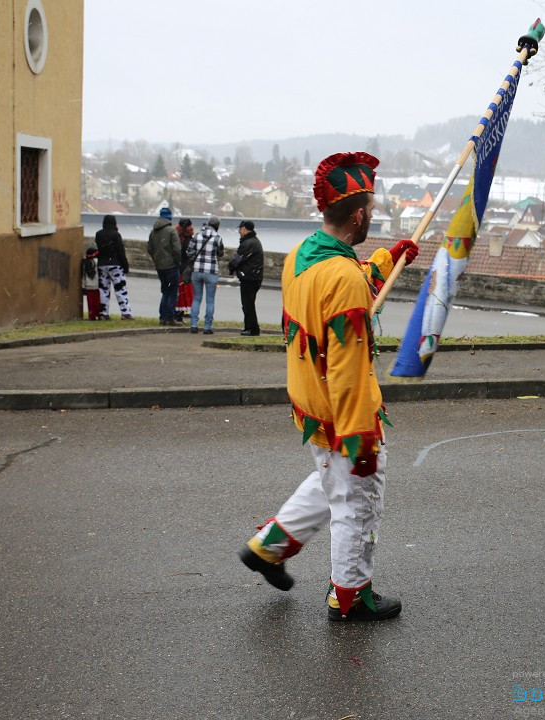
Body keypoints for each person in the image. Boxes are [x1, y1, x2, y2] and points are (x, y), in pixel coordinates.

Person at [239, 151, 419, 622]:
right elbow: (350, 368)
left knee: (330, 485)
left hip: (311, 404)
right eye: (372, 211)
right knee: (357, 502)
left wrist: (385, 259)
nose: (372, 218)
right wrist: (359, 439)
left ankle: (268, 548)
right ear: (358, 215)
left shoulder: (303, 255)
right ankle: (351, 596)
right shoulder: (343, 278)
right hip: (342, 413)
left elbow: (340, 289)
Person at [187, 216, 225, 334]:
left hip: (197, 270)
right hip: (211, 271)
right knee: (210, 300)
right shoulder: (217, 238)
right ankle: (207, 327)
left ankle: (193, 325)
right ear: (217, 226)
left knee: (196, 298)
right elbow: (221, 253)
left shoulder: (196, 235)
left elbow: (189, 251)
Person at [147, 207, 182, 326]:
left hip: (160, 266)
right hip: (171, 266)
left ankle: (162, 317)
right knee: (172, 292)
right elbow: (177, 249)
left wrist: (157, 259)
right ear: (169, 218)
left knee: (165, 292)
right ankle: (170, 317)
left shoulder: (153, 232)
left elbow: (150, 249)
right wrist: (178, 262)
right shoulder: (171, 231)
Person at [230, 220, 265, 336]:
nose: (239, 231)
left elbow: (237, 259)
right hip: (254, 276)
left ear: (245, 229)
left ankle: (252, 329)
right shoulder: (254, 241)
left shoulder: (248, 243)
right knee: (249, 303)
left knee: (248, 304)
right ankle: (251, 327)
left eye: (240, 229)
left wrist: (231, 267)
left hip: (249, 277)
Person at [94, 214, 132, 320]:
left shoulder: (99, 234)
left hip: (102, 264)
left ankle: (103, 313)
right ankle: (125, 313)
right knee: (120, 289)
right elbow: (121, 252)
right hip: (115, 264)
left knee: (104, 290)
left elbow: (99, 249)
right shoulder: (116, 235)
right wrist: (126, 266)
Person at [174, 218, 195, 322]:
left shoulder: (175, 236)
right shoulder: (189, 239)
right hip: (185, 268)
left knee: (177, 292)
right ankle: (181, 313)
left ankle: (176, 312)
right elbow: (190, 255)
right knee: (185, 292)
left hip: (176, 267)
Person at [81, 247, 101, 320]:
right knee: (97, 302)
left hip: (88, 285)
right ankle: (99, 315)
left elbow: (83, 276)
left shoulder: (84, 262)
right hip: (97, 285)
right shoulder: (97, 261)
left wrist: (83, 286)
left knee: (90, 303)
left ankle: (92, 316)